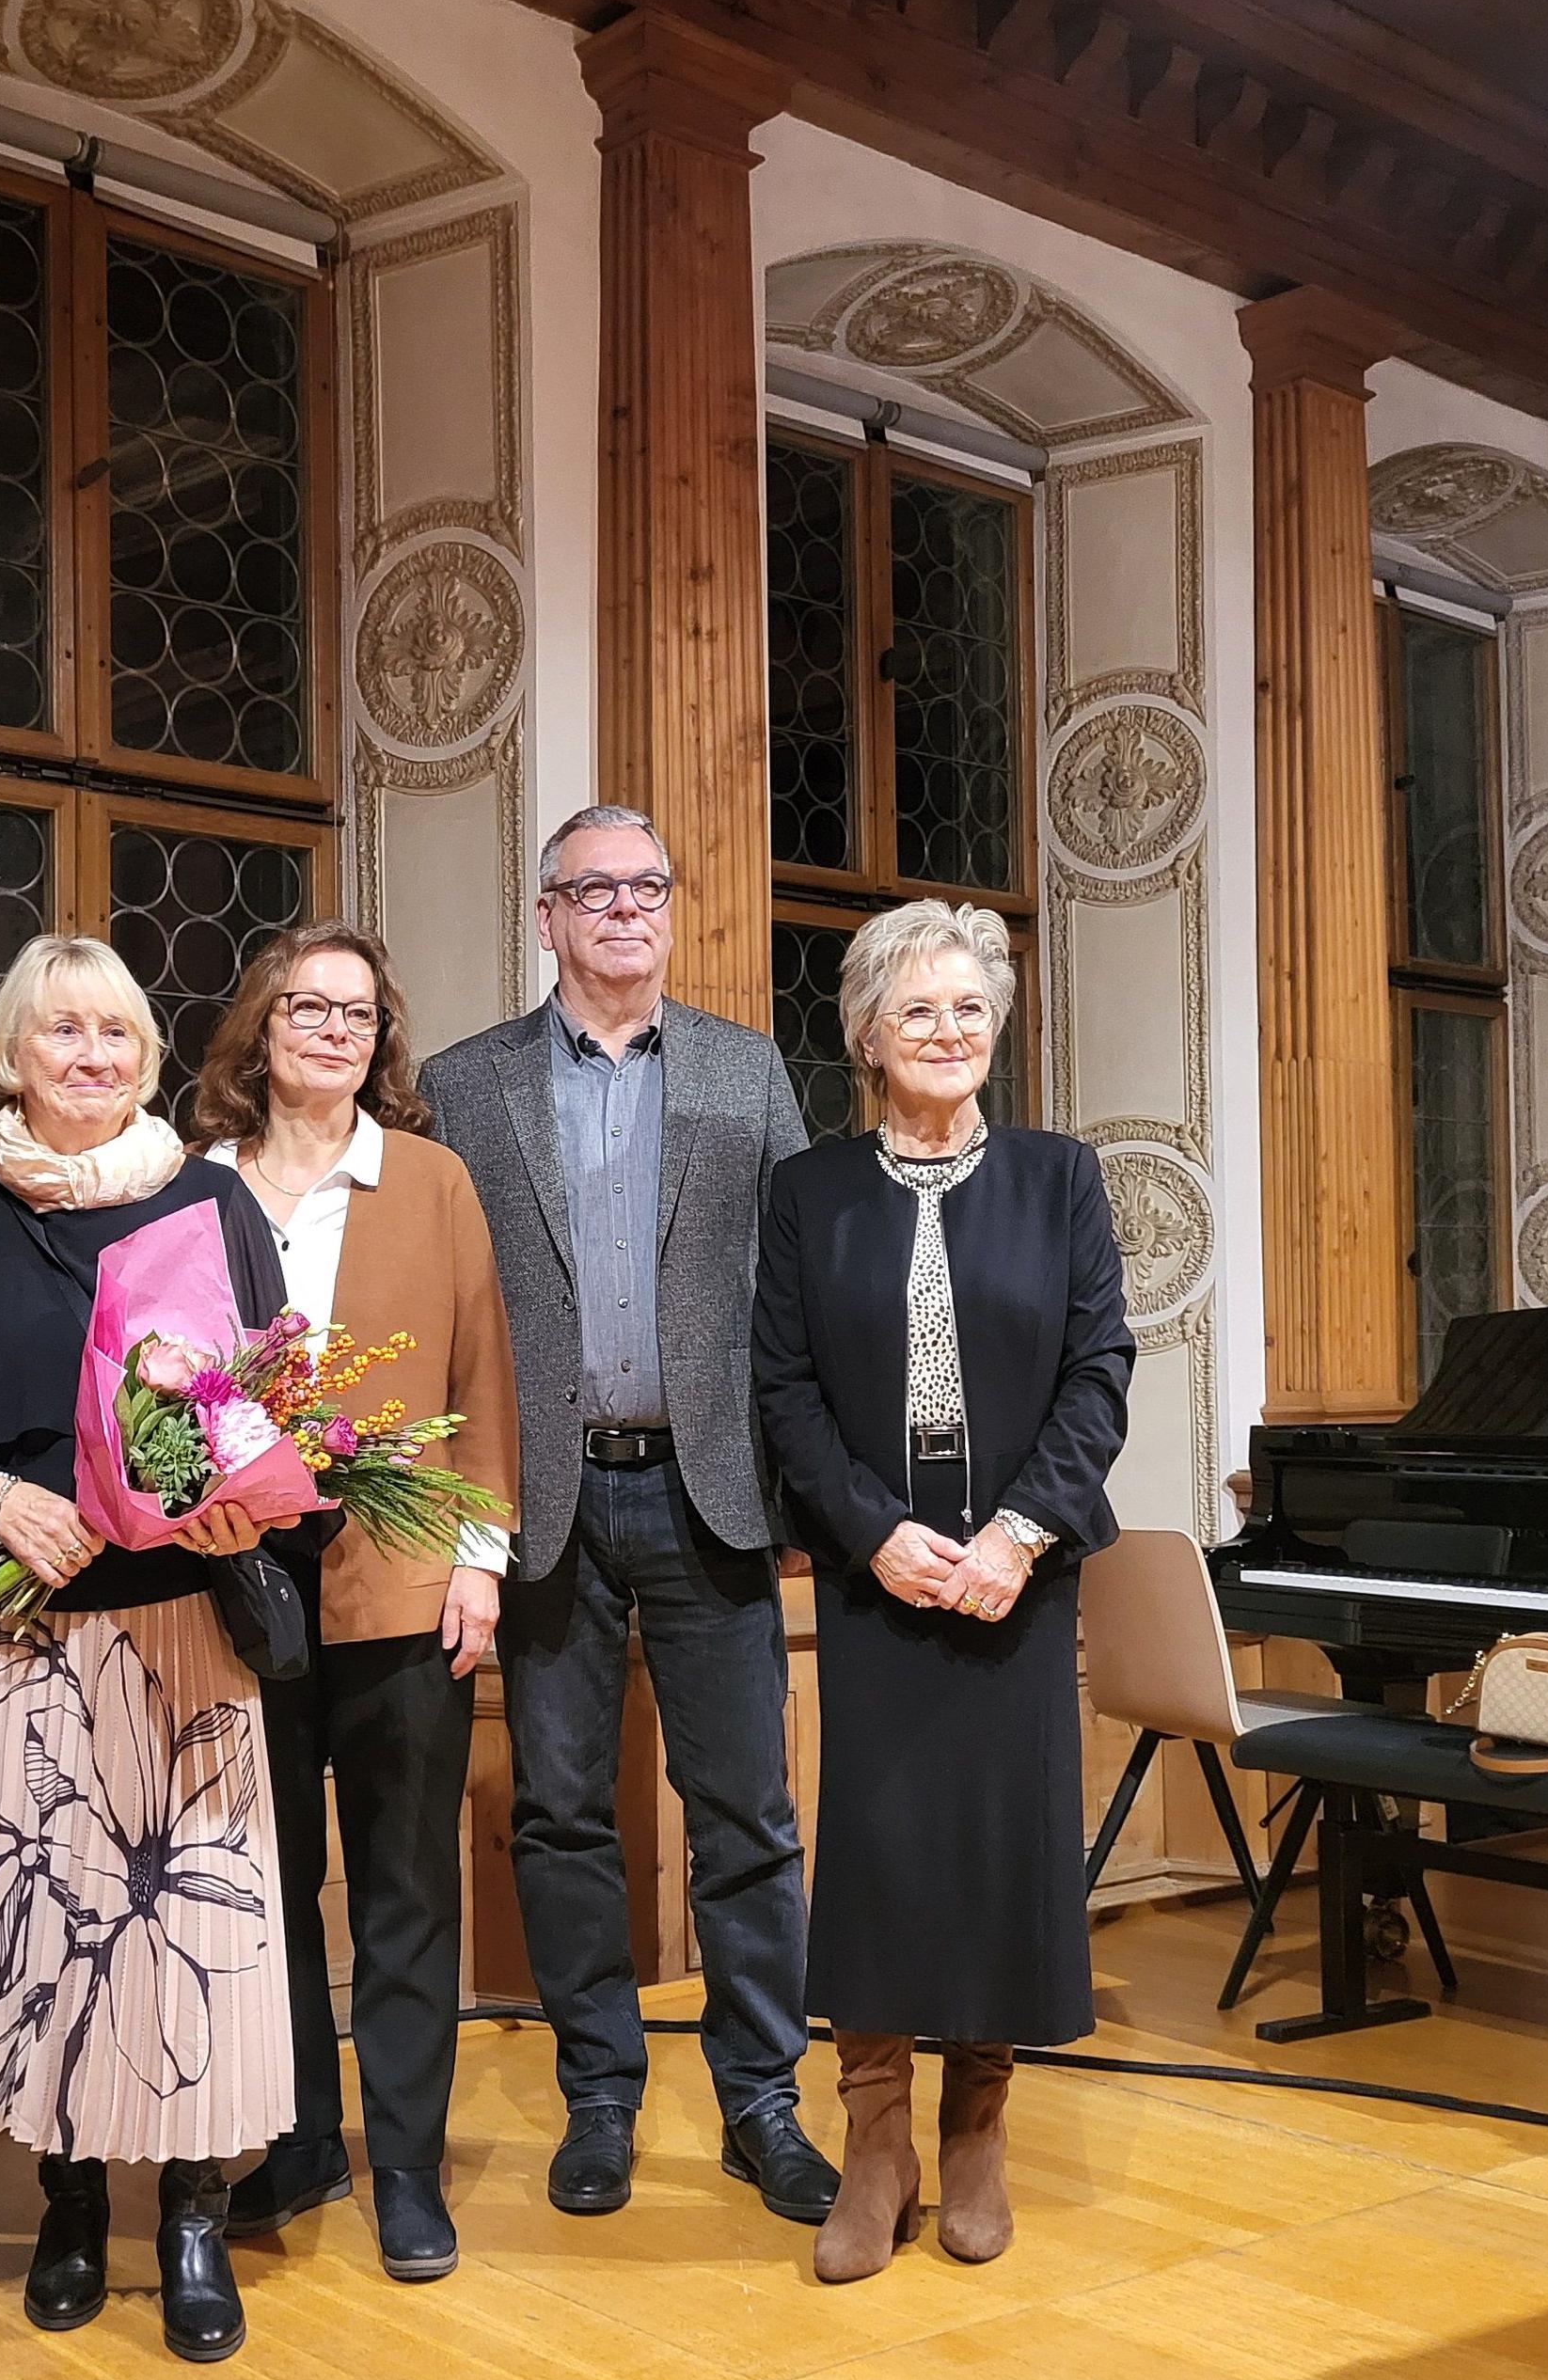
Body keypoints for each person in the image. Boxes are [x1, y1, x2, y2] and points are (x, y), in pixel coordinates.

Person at [0, 936, 308, 2363]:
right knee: (48, 1926)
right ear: (13, 1055)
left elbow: (271, 1395)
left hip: (178, 1615)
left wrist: (232, 1493)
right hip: (19, 1625)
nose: (92, 1054)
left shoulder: (210, 1201)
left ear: (147, 1057)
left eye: (116, 1031)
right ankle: (66, 2201)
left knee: (189, 1930)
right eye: (61, 1030)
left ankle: (191, 2211)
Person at [416, 806, 837, 2227]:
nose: (623, 909)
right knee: (559, 1813)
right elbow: (442, 1311)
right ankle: (600, 2095)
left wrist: (802, 1482)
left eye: (646, 886)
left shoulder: (745, 1069)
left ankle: (763, 2103)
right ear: (547, 917)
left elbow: (795, 1289)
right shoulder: (465, 1085)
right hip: (542, 1501)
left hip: (710, 1491)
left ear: (670, 907)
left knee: (748, 1816)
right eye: (591, 889)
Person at [750, 902, 1132, 2281]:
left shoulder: (1059, 1177)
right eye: (918, 1009)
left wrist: (1019, 1536)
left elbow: (1099, 1371)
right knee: (882, 1850)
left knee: (999, 1850)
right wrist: (871, 1534)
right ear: (866, 1035)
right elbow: (784, 1388)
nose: (949, 1030)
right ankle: (875, 2142)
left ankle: (975, 2132)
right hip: (880, 1584)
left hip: (1016, 1579)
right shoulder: (809, 1193)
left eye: (971, 1007)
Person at [197, 924, 521, 2283]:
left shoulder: (431, 1180)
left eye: (360, 1013)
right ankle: (295, 2143)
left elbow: (482, 1377)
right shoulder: (197, 1182)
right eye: (308, 1006)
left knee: (404, 1891)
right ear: (260, 1026)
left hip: (403, 1583)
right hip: (234, 1590)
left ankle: (406, 2168)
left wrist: (479, 1560)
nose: (335, 1030)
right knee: (265, 1889)